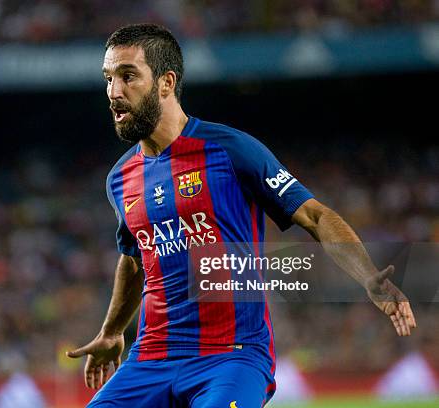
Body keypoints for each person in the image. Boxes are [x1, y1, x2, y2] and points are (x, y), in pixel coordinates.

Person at [66, 23, 417, 407]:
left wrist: (368, 275)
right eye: (108, 78)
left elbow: (314, 216)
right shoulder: (120, 178)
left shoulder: (230, 150)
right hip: (150, 360)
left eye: (128, 76)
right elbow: (135, 257)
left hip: (231, 357)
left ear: (166, 83)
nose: (114, 92)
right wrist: (113, 330)